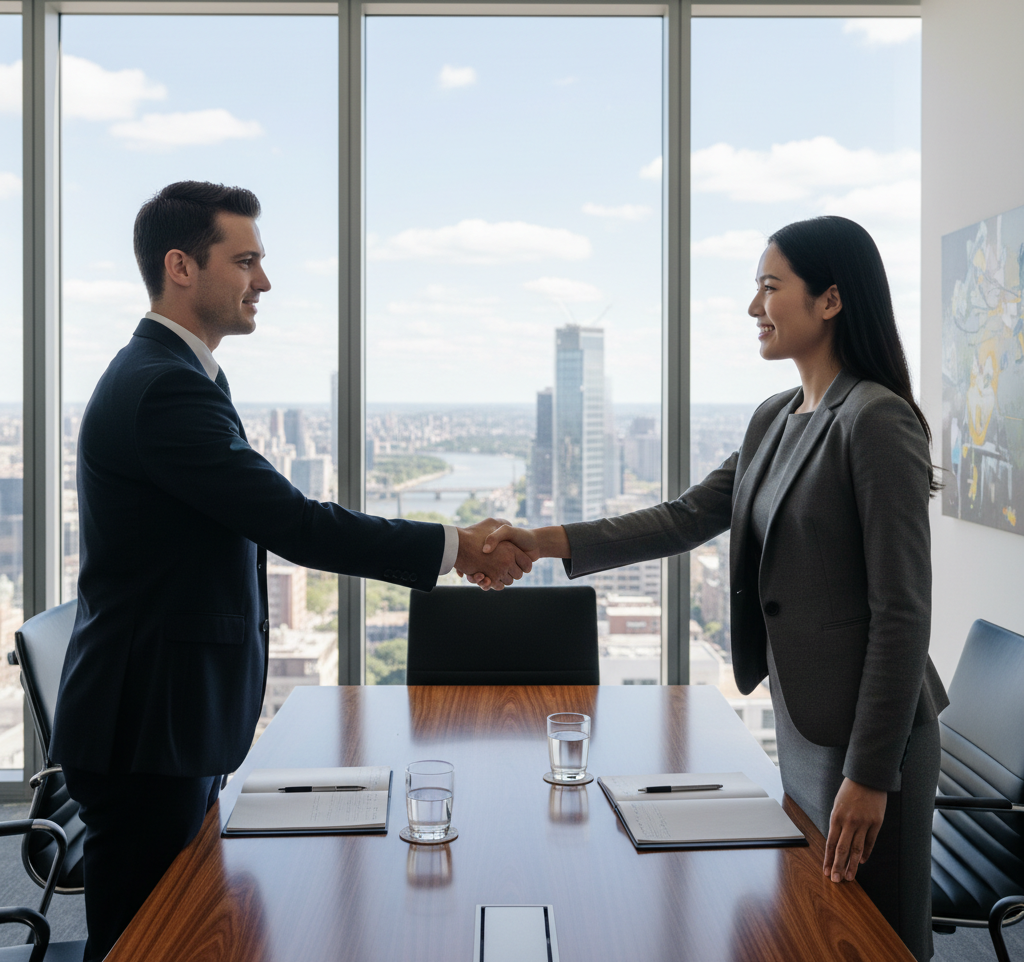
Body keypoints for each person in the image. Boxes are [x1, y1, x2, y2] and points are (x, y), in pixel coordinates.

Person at [49, 180, 530, 961]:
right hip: (148, 724)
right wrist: (456, 546)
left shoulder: (181, 373)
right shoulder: (166, 387)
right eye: (245, 261)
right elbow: (292, 522)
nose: (263, 282)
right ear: (181, 266)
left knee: (180, 923)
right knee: (151, 940)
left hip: (164, 715)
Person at [476, 216, 948, 961]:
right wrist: (540, 544)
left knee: (877, 933)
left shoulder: (876, 421)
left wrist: (870, 769)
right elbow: (686, 517)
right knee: (817, 916)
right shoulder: (776, 418)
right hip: (807, 716)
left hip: (872, 731)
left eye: (770, 286)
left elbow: (902, 611)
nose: (754, 306)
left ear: (830, 300)